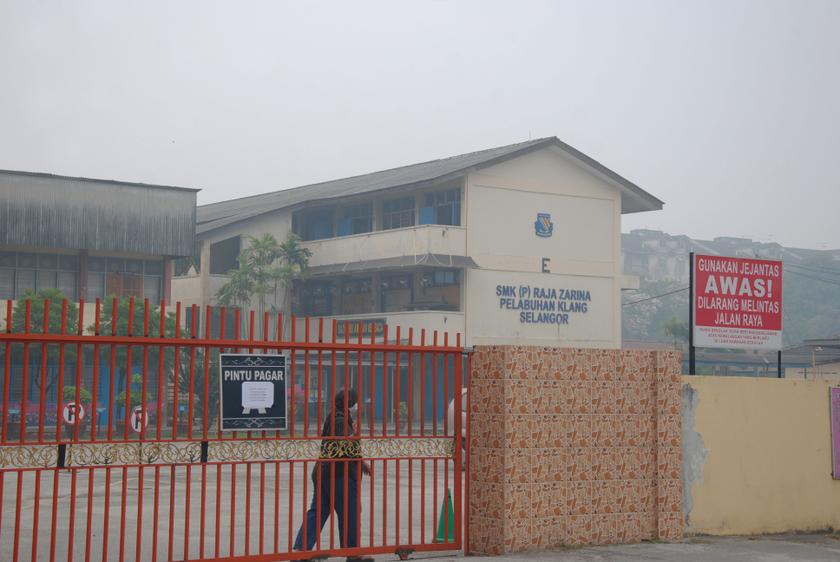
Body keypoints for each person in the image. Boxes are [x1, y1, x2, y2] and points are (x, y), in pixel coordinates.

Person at [294, 389, 372, 562]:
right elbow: (344, 445)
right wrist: (357, 435)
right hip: (339, 473)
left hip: (324, 471)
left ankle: (301, 550)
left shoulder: (335, 416)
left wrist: (361, 462)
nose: (358, 405)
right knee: (350, 512)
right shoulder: (340, 419)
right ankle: (353, 553)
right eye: (356, 401)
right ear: (350, 403)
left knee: (318, 511)